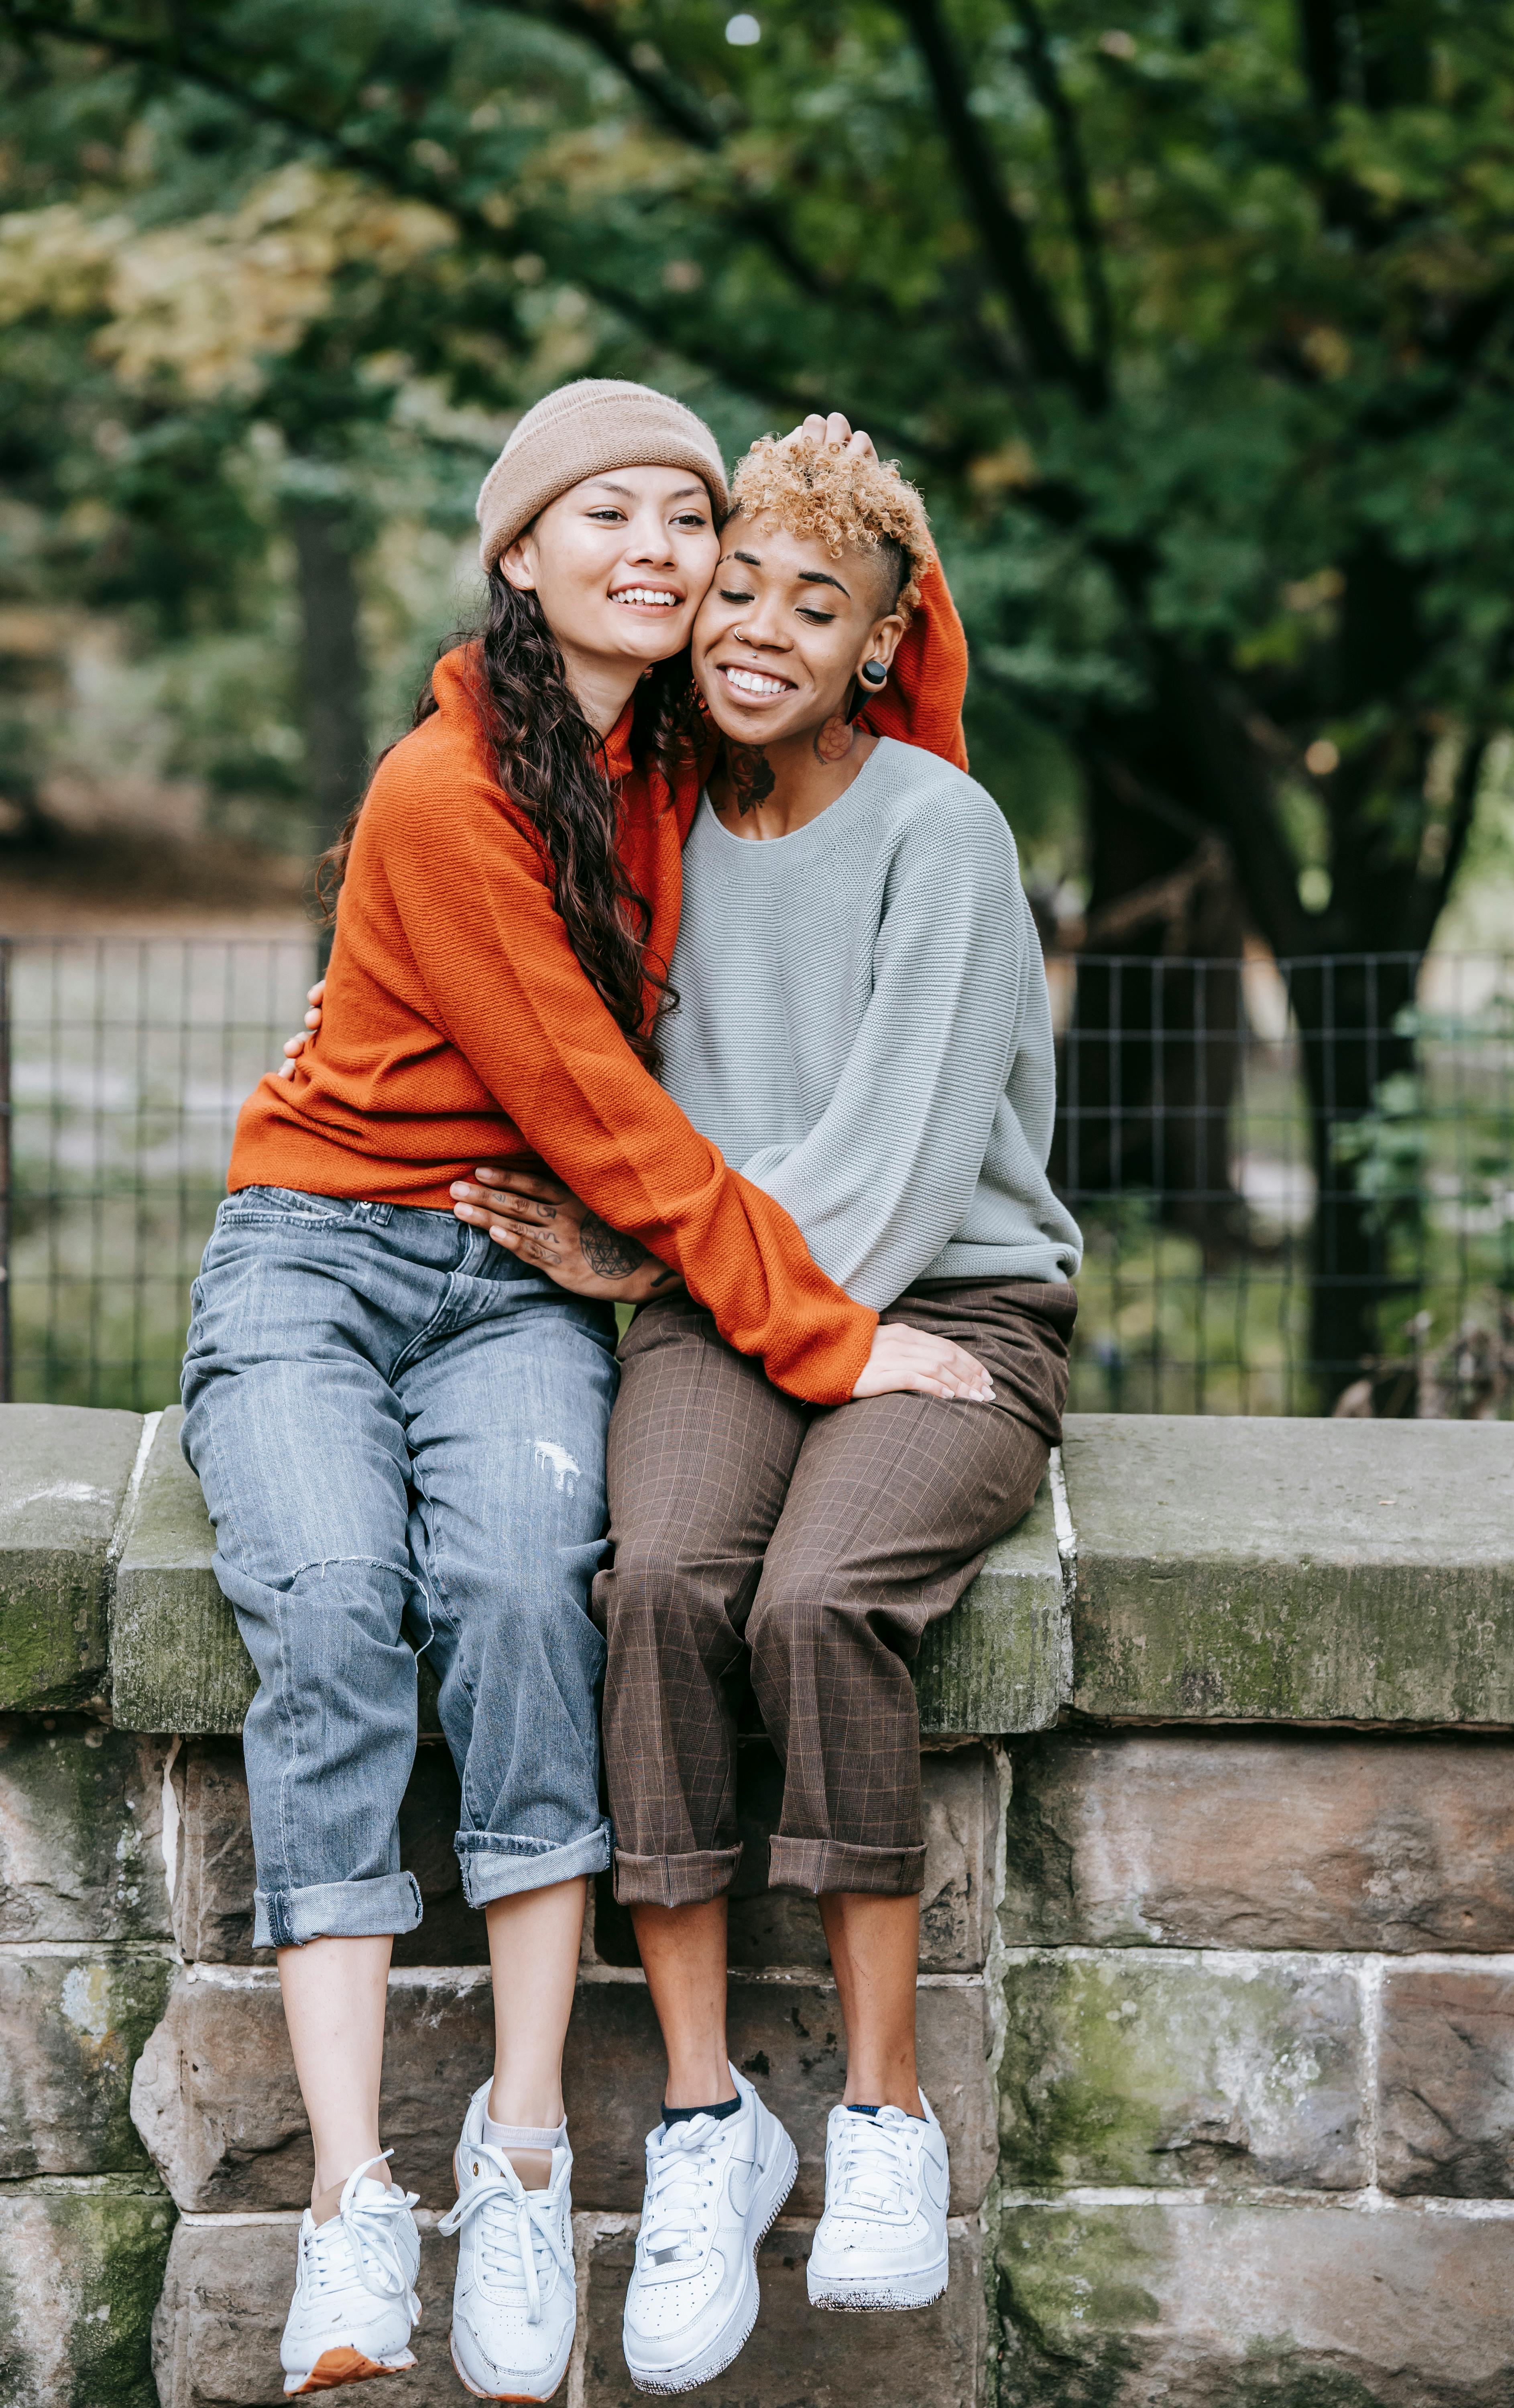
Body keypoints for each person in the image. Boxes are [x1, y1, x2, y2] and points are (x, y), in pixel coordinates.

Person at [184, 382, 986, 2402]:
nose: (653, 546)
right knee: (332, 1608)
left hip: (520, 1284)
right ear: (516, 556)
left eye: (683, 515)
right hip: (327, 1249)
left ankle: (524, 2151)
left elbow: (893, 722)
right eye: (600, 513)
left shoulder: (667, 770)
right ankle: (357, 2200)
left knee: (536, 1588)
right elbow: (605, 1121)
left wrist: (863, 522)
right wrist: (817, 1329)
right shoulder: (452, 791)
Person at [442, 431, 1081, 2393]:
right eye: (743, 586)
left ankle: (884, 2117)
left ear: (882, 647)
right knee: (651, 1590)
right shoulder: (655, 819)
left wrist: (648, 1261)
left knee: (815, 1605)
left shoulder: (937, 833)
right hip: (720, 1305)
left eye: (822, 604)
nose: (762, 626)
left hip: (948, 1307)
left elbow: (889, 1174)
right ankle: (716, 2118)